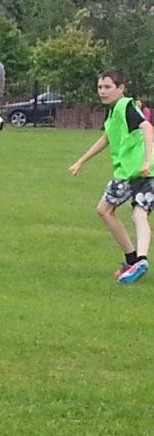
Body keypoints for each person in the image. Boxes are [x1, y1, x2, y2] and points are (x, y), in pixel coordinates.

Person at [68, 69, 154, 285]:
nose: (102, 91)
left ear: (121, 89)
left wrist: (146, 160)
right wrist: (81, 161)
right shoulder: (114, 111)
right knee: (114, 211)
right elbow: (106, 138)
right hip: (130, 172)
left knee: (131, 213)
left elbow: (147, 128)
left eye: (108, 87)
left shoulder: (125, 106)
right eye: (100, 87)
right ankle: (135, 261)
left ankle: (138, 260)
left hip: (140, 171)